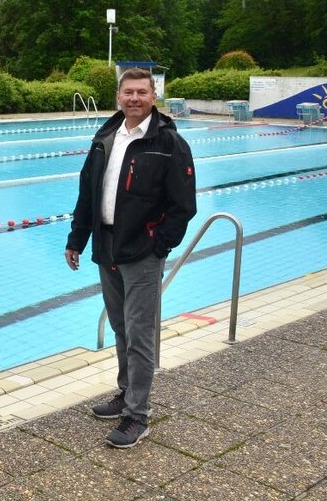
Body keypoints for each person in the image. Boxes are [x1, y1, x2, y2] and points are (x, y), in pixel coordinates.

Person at [64, 68, 197, 448]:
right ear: (118, 97)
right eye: (128, 92)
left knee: (140, 334)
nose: (134, 98)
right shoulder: (106, 136)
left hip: (142, 252)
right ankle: (126, 393)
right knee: (122, 328)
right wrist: (77, 238)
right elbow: (88, 193)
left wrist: (159, 246)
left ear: (153, 96)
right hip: (107, 246)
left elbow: (183, 206)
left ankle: (138, 414)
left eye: (142, 92)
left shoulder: (168, 143)